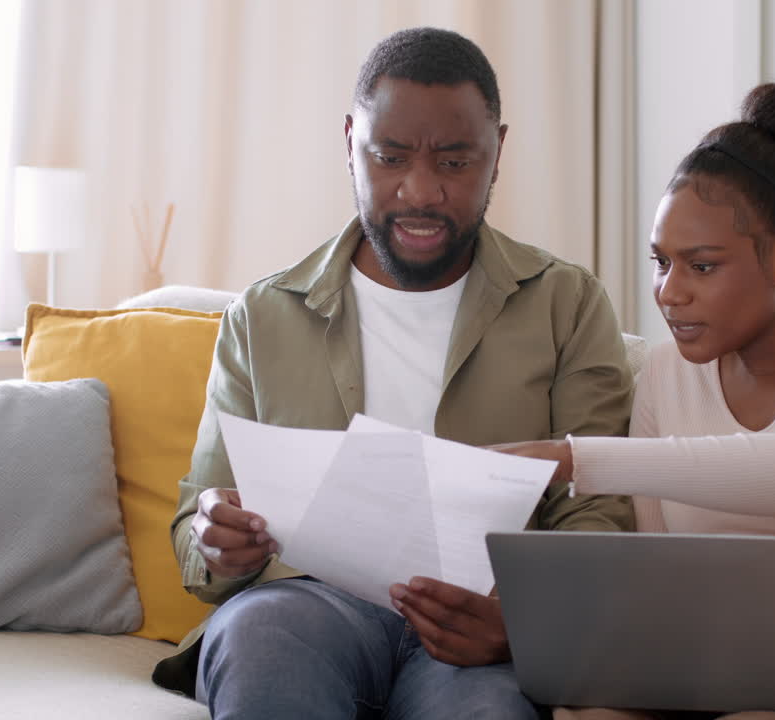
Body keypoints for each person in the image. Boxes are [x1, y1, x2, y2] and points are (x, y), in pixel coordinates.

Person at [150, 27, 636, 720]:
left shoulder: (566, 302)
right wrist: (220, 542)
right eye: (389, 156)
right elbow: (198, 516)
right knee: (260, 636)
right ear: (350, 140)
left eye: (455, 160)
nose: (420, 191)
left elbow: (601, 510)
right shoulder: (264, 315)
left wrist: (519, 620)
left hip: (476, 624)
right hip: (305, 604)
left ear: (498, 151)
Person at [495, 83, 775, 720]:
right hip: (694, 646)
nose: (668, 292)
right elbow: (652, 569)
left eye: (702, 266)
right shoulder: (663, 373)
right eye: (661, 263)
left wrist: (572, 459)